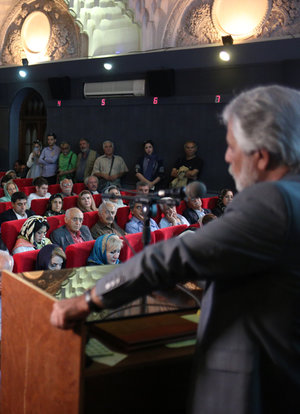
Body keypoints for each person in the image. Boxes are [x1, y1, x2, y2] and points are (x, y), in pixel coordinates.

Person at [50, 85, 300, 413]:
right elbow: (264, 282)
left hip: (252, 388)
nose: (226, 158)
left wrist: (88, 300)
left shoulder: (271, 200)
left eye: (231, 147)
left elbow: (175, 256)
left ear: (262, 155)